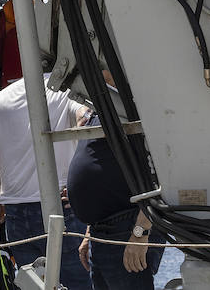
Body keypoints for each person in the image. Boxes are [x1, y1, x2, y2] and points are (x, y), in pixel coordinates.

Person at [0, 75, 92, 290]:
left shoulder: (2, 98)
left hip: (17, 215)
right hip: (62, 207)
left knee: (31, 284)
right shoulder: (66, 90)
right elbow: (86, 118)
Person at [68, 105, 164, 288]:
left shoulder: (129, 106)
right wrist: (90, 233)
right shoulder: (102, 108)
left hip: (127, 228)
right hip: (104, 231)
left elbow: (159, 176)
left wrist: (140, 233)